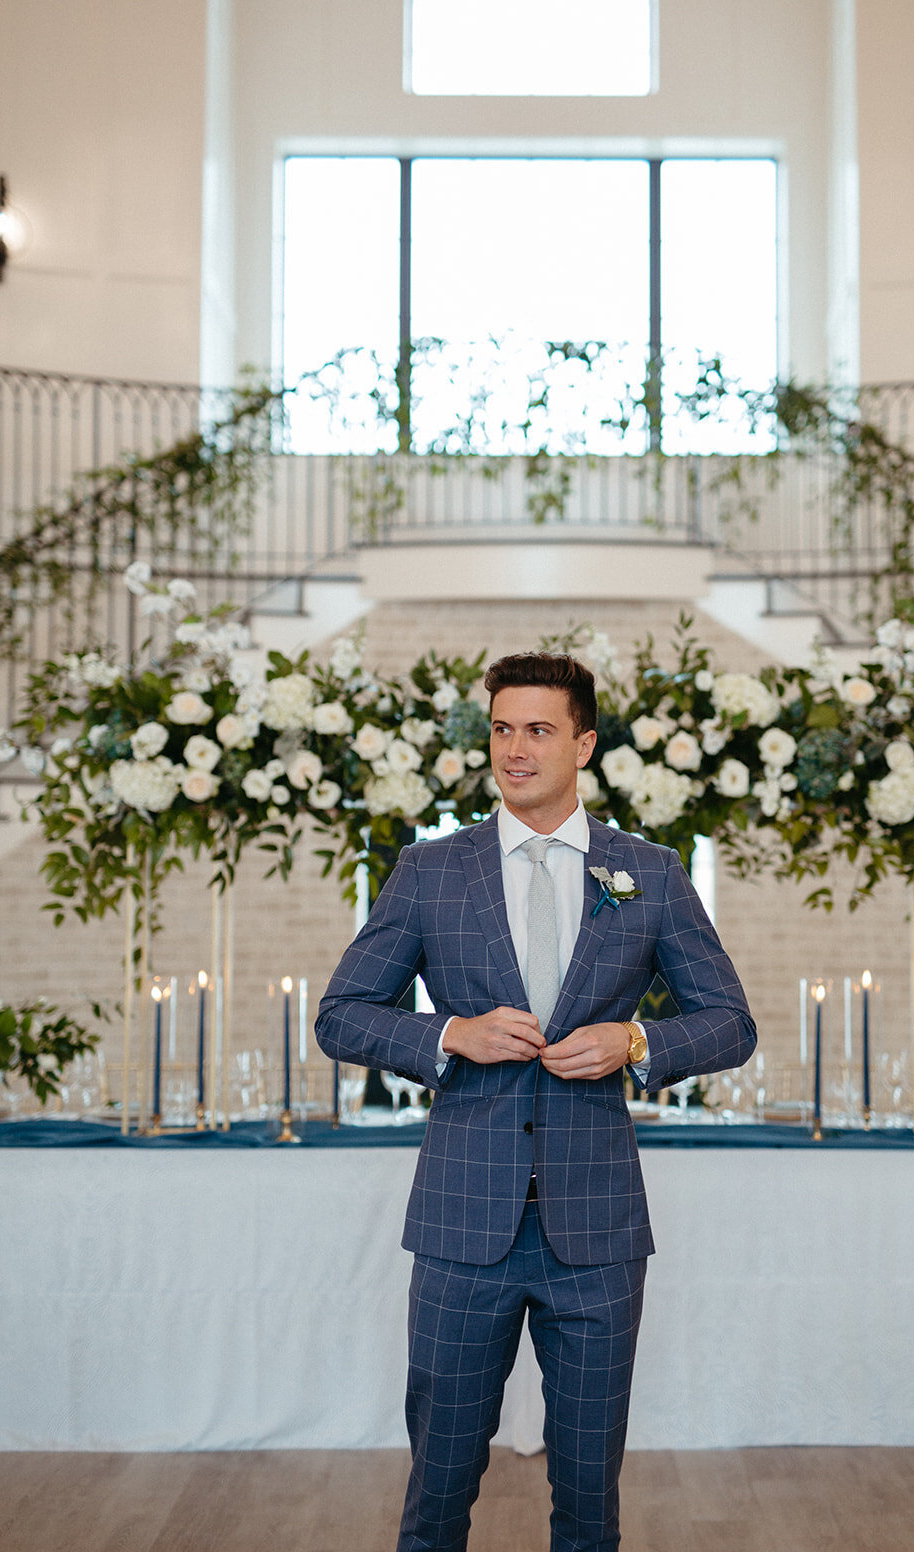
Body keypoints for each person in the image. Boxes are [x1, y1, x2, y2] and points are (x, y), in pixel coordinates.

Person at [316, 651, 756, 1552]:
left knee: (589, 1494)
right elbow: (341, 1015)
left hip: (594, 1233)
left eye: (539, 730)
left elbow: (729, 1023)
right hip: (460, 1227)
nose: (514, 750)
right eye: (501, 729)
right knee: (438, 1483)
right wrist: (447, 1034)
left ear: (584, 743)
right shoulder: (431, 870)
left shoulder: (652, 872)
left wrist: (636, 1042)